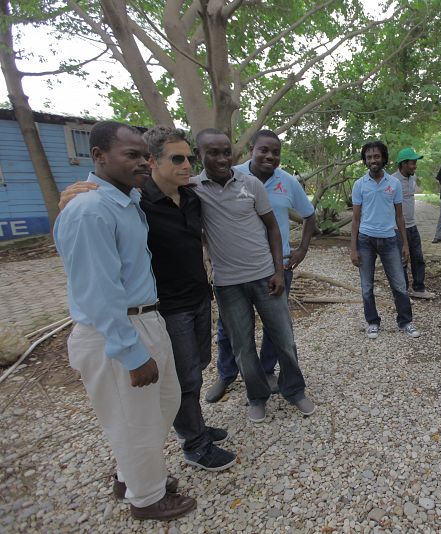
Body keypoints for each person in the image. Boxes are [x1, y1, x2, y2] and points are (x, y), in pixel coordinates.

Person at [58, 127, 237, 472]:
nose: (188, 165)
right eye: (178, 159)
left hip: (199, 297)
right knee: (184, 378)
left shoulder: (191, 196)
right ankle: (194, 444)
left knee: (196, 369)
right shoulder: (138, 200)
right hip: (167, 308)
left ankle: (195, 426)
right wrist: (69, 199)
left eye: (190, 158)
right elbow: (91, 226)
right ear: (154, 161)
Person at [53, 121, 196, 521]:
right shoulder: (89, 210)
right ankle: (146, 498)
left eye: (144, 155)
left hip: (146, 319)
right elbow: (98, 292)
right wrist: (130, 352)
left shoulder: (125, 200)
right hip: (117, 329)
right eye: (130, 154)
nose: (142, 162)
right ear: (98, 156)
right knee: (134, 418)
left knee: (160, 406)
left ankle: (130, 474)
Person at [191, 128, 315, 422]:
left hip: (267, 273)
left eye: (225, 152)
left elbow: (274, 227)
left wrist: (281, 268)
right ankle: (255, 395)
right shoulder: (193, 188)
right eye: (213, 152)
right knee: (241, 345)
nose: (221, 158)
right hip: (227, 282)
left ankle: (294, 390)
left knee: (284, 338)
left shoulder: (251, 184)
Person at [350, 141, 421, 339]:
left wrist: (405, 243)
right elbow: (355, 220)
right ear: (365, 161)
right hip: (365, 240)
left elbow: (400, 217)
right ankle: (372, 322)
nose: (373, 160)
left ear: (383, 158)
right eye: (369, 157)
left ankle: (405, 321)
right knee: (366, 286)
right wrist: (353, 248)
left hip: (390, 240)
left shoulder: (394, 184)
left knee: (399, 284)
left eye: (376, 156)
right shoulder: (359, 185)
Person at [392, 147, 435, 300]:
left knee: (418, 258)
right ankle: (403, 292)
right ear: (403, 164)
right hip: (397, 229)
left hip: (412, 226)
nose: (415, 166)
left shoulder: (413, 177)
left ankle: (419, 288)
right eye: (412, 163)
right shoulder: (392, 181)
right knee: (401, 260)